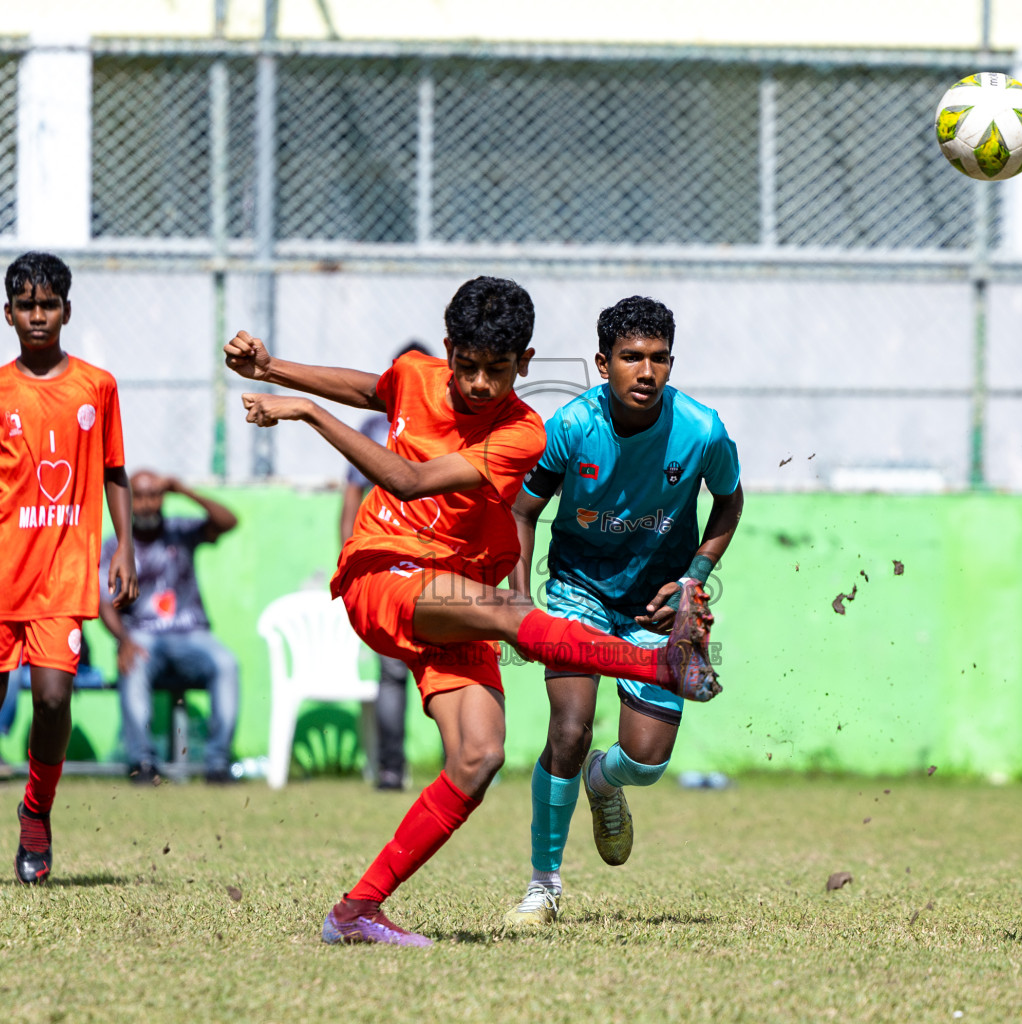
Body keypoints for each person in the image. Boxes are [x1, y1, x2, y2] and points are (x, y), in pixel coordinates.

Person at [224, 275, 721, 948]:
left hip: (450, 589)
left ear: (526, 363)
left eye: (497, 370)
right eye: (468, 367)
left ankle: (356, 912)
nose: (480, 383)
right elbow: (375, 391)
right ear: (449, 348)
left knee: (480, 755)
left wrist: (305, 413)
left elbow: (410, 477)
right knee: (509, 616)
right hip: (384, 572)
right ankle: (657, 666)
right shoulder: (414, 374)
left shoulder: (522, 434)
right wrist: (274, 369)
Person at [503, 295, 743, 927]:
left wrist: (693, 580)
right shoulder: (570, 427)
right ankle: (543, 885)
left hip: (657, 608)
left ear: (671, 363)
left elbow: (729, 503)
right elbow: (521, 510)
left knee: (645, 761)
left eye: (659, 358)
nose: (646, 371)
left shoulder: (702, 430)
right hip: (578, 591)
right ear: (603, 363)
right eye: (631, 357)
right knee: (570, 728)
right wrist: (520, 601)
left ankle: (603, 783)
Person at [0, 251, 138, 888]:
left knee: (52, 698)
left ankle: (35, 814)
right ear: (9, 313)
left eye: (48, 304)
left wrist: (123, 545)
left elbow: (114, 472)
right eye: (26, 305)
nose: (38, 315)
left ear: (66, 311)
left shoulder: (96, 387)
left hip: (63, 577)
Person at [98, 470, 240, 784]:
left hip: (192, 634)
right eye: (140, 496)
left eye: (154, 495)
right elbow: (104, 603)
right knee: (133, 661)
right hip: (142, 635)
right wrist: (123, 640)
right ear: (128, 500)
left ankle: (217, 764)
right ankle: (143, 763)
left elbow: (229, 522)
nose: (147, 504)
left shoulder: (181, 531)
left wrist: (184, 490)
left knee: (227, 663)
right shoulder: (116, 547)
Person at [339, 340, 432, 791]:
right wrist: (352, 554)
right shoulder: (377, 425)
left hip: (420, 559)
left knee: (400, 670)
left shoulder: (381, 424)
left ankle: (455, 761)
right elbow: (351, 495)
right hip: (395, 559)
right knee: (398, 670)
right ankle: (397, 766)